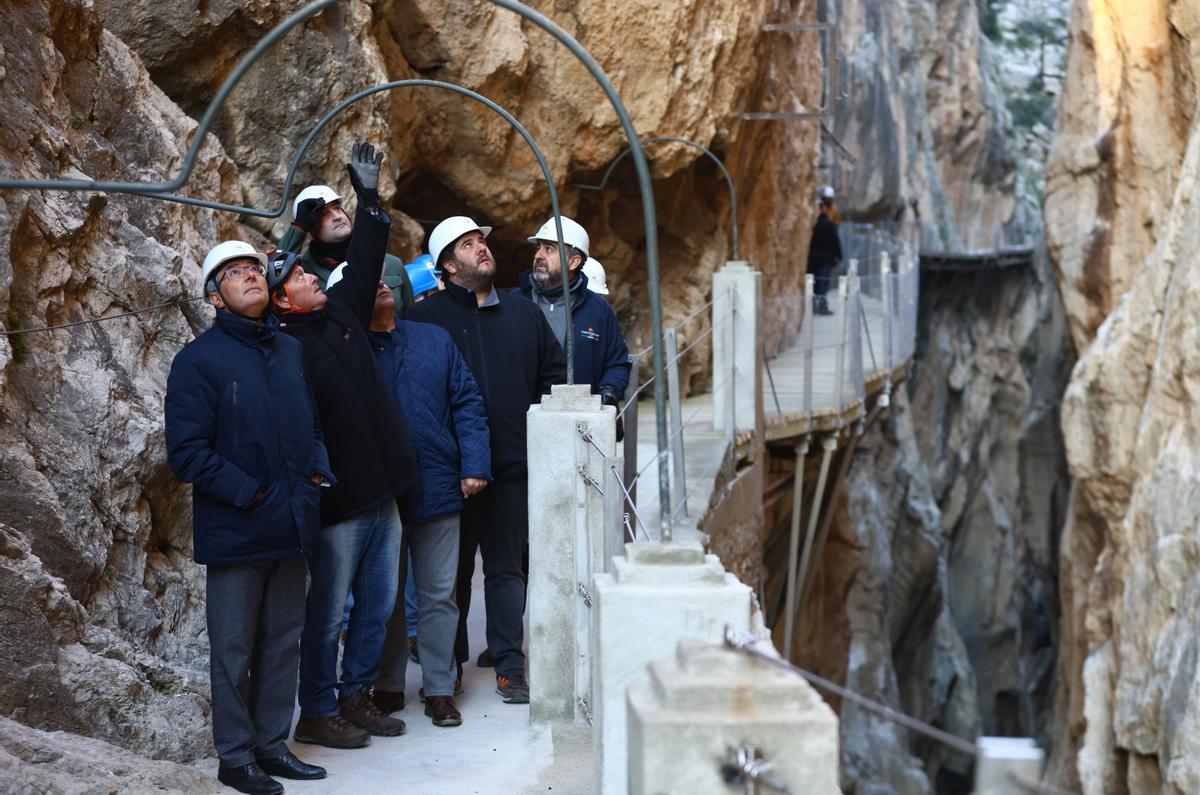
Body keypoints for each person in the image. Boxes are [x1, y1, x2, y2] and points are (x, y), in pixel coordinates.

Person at [165, 241, 332, 794]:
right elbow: (187, 453)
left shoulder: (288, 351)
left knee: (284, 639)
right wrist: (254, 495)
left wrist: (315, 478)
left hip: (291, 524)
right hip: (239, 528)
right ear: (215, 297)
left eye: (254, 269)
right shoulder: (198, 361)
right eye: (234, 274)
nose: (250, 277)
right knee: (234, 648)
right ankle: (235, 758)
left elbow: (311, 426)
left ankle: (271, 746)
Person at [269, 142, 416, 749]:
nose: (311, 277)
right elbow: (280, 267)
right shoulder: (279, 347)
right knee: (328, 614)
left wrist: (370, 196)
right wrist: (300, 235)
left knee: (377, 607)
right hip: (338, 501)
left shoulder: (343, 309)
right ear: (282, 300)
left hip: (383, 489)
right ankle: (319, 710)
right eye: (301, 278)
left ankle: (355, 696)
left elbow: (365, 253)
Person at [322, 264, 490, 728]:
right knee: (383, 598)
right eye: (367, 279)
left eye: (386, 277)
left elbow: (467, 401)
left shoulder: (433, 339)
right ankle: (388, 685)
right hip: (377, 495)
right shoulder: (345, 350)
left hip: (438, 483)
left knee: (439, 595)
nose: (380, 283)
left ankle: (439, 687)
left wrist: (474, 465)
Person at [408, 215, 566, 704]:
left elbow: (553, 373)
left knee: (506, 570)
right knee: (448, 577)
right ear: (447, 266)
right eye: (469, 244)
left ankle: (510, 665)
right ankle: (448, 668)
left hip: (513, 468)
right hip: (449, 475)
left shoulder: (522, 313)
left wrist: (536, 434)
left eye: (482, 241)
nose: (482, 249)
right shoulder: (424, 320)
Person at [518, 217, 630, 438]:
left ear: (573, 262)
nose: (538, 255)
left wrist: (608, 396)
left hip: (581, 429)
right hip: (522, 429)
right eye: (538, 247)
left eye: (548, 249)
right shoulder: (514, 304)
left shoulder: (598, 311)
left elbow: (617, 362)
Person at [279, 180, 415, 314]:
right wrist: (298, 228)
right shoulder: (306, 275)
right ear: (309, 232)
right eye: (322, 214)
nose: (336, 217)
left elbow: (412, 319)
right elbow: (276, 273)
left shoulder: (391, 264)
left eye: (337, 208)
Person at [807, 187, 843, 315]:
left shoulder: (812, 225)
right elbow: (835, 241)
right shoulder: (828, 225)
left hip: (813, 258)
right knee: (822, 284)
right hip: (825, 259)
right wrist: (839, 256)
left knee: (815, 283)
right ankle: (820, 307)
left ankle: (814, 307)